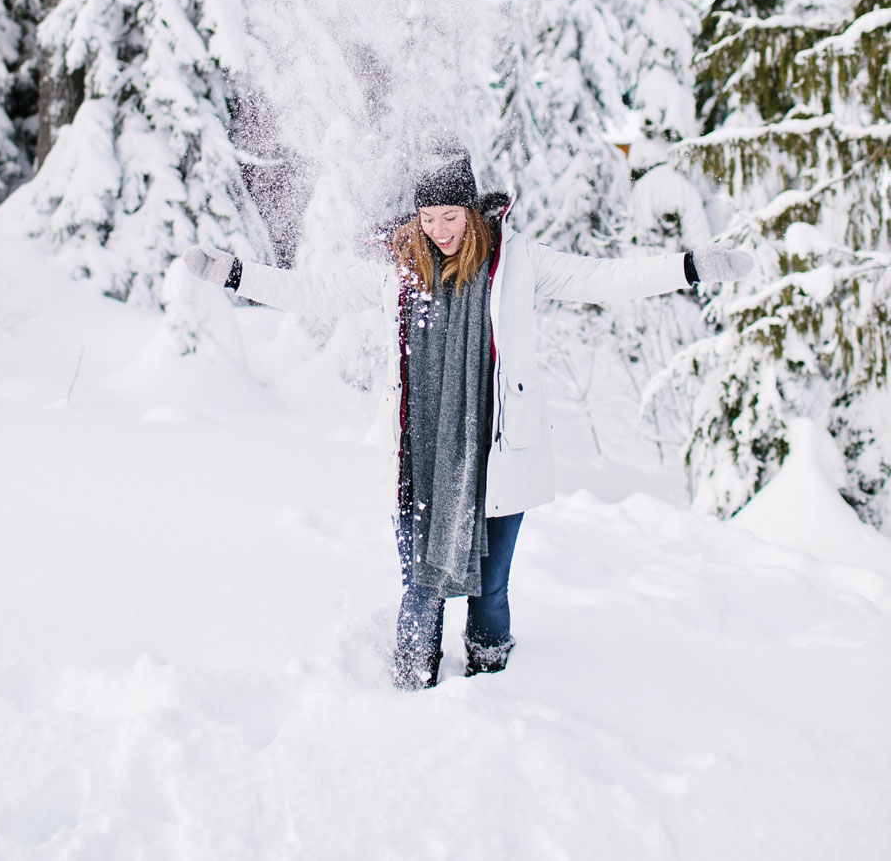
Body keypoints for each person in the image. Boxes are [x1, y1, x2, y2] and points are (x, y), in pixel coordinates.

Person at [183, 144, 752, 690]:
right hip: (421, 462)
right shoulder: (398, 270)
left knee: (492, 593)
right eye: (428, 217)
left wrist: (692, 266)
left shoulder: (518, 261)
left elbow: (600, 278)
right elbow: (316, 292)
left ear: (473, 212)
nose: (440, 230)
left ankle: (492, 685)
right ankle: (410, 689)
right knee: (420, 591)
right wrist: (236, 275)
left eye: (451, 215)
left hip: (496, 455)